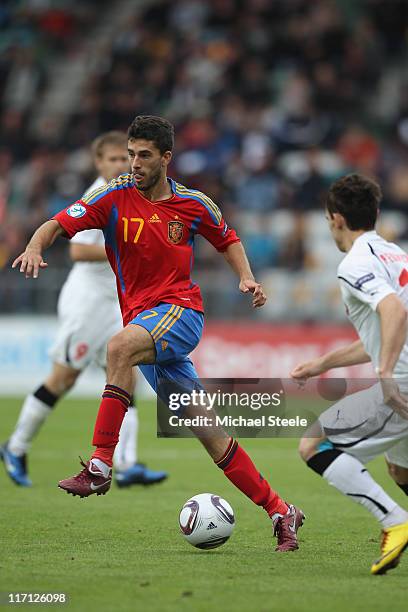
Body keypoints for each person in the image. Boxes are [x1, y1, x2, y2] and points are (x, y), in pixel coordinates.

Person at [13, 115, 304, 552]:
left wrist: (246, 277)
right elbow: (56, 224)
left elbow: (227, 239)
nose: (134, 163)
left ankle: (99, 464)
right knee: (208, 431)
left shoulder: (193, 203)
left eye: (144, 155)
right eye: (130, 154)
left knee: (119, 346)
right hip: (147, 323)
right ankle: (281, 510)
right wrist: (36, 245)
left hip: (180, 312)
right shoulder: (110, 197)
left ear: (166, 158)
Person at [2, 131, 167, 489]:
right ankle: (15, 446)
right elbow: (77, 250)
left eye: (125, 159)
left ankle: (126, 464)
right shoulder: (98, 195)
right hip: (88, 302)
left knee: (127, 372)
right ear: (98, 163)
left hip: (116, 302)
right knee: (64, 378)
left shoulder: (133, 194)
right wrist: (129, 246)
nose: (123, 165)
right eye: (114, 160)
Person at [291, 173, 408, 575]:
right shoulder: (394, 253)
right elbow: (384, 330)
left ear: (335, 219)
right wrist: (322, 364)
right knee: (401, 470)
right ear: (375, 213)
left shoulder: (354, 263)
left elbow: (394, 311)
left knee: (314, 444)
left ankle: (395, 521)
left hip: (403, 383)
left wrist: (386, 373)